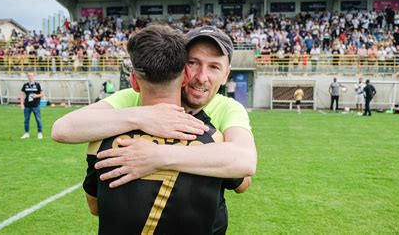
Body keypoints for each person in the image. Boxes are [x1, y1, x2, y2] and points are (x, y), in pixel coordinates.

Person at [52, 26, 256, 230]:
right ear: (182, 69)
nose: (202, 77)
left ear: (226, 74)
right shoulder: (132, 99)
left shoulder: (227, 108)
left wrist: (158, 156)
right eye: (194, 63)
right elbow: (62, 129)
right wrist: (142, 116)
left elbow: (245, 168)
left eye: (214, 67)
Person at [20, 72, 44, 139]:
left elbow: (42, 94)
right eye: (29, 76)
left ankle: (40, 133)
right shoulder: (25, 85)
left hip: (35, 105)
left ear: (34, 76)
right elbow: (22, 95)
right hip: (27, 106)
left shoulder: (38, 85)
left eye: (31, 76)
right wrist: (21, 104)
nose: (30, 77)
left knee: (38, 119)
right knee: (26, 120)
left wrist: (36, 96)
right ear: (27, 77)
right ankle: (26, 133)